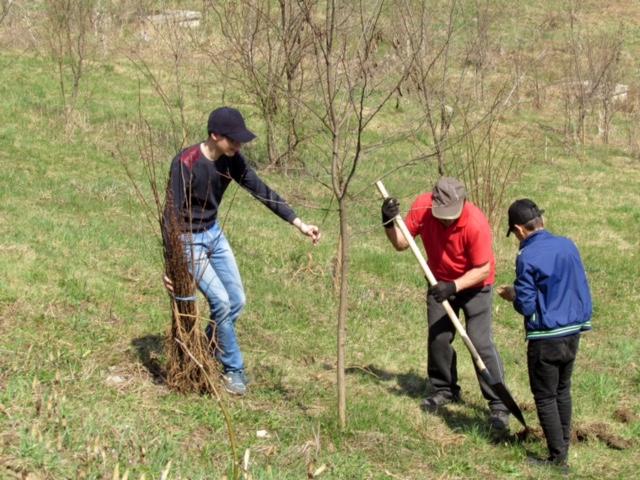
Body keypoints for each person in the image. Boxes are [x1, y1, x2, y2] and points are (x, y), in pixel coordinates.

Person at [164, 106, 320, 396]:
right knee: (221, 303)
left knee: (236, 300)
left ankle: (207, 348)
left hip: (213, 233)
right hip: (187, 239)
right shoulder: (185, 162)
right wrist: (171, 267)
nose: (238, 145)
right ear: (214, 136)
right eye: (233, 140)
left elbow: (260, 190)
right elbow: (169, 216)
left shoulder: (232, 160)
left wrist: (299, 223)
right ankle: (234, 370)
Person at [381, 177, 510, 431]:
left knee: (479, 342)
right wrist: (387, 221)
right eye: (442, 214)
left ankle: (499, 405)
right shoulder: (422, 207)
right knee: (438, 338)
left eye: (451, 215)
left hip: (475, 287)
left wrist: (453, 286)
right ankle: (444, 389)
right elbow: (401, 243)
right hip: (438, 281)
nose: (447, 219)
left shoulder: (475, 223)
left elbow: (483, 269)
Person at [497, 199, 592, 468]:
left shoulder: (527, 256)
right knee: (563, 390)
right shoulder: (568, 245)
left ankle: (558, 459)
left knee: (545, 396)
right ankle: (562, 445)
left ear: (519, 230)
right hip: (573, 331)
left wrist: (512, 295)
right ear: (541, 221)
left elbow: (527, 305)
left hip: (545, 337)